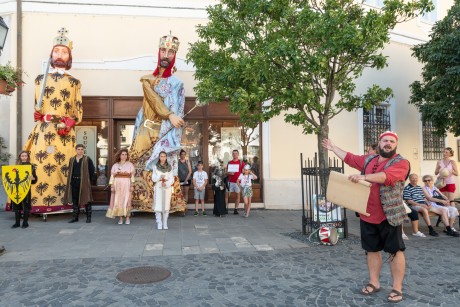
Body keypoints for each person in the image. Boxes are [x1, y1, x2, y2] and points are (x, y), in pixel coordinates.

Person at [322, 131, 409, 304]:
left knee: (394, 251)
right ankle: (374, 282)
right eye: (385, 140)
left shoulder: (402, 162)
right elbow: (350, 158)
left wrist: (363, 176)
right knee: (371, 250)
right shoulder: (370, 159)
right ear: (379, 142)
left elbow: (387, 177)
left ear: (396, 144)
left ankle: (397, 288)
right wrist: (333, 148)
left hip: (389, 215)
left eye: (392, 141)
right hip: (367, 213)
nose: (388, 143)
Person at [24, 28, 82, 214]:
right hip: (44, 130)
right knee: (39, 166)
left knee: (64, 168)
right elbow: (38, 107)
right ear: (51, 54)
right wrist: (39, 116)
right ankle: (36, 204)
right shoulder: (40, 80)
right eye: (56, 51)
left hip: (63, 132)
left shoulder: (74, 82)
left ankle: (64, 204)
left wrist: (68, 124)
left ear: (69, 56)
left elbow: (78, 111)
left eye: (64, 52)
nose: (60, 55)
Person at [128, 33, 186, 215]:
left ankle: (167, 204)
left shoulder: (178, 83)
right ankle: (139, 203)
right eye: (163, 50)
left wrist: (177, 121)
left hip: (166, 131)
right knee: (140, 160)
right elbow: (153, 100)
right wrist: (169, 115)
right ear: (158, 52)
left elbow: (181, 107)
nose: (166, 54)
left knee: (165, 165)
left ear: (174, 56)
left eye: (170, 51)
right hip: (147, 128)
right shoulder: (147, 80)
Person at [64, 144, 96, 223]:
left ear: (84, 150)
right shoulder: (72, 159)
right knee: (75, 200)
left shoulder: (87, 159)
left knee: (86, 199)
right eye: (79, 149)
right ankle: (75, 217)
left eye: (82, 149)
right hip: (74, 182)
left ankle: (88, 217)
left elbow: (92, 170)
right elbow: (70, 170)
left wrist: (89, 181)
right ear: (76, 150)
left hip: (84, 182)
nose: (80, 151)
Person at [106, 149, 135, 225]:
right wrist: (112, 185)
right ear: (119, 155)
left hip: (127, 184)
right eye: (122, 154)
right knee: (119, 201)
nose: (124, 156)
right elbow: (112, 176)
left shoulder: (130, 165)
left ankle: (128, 218)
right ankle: (120, 218)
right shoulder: (115, 165)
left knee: (127, 201)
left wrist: (132, 185)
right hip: (117, 185)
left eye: (125, 154)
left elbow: (132, 176)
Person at [10, 151, 38, 229]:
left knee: (26, 206)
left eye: (25, 156)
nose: (24, 157)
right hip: (16, 188)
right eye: (22, 156)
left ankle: (25, 223)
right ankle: (17, 223)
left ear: (28, 157)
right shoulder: (16, 167)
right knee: (16, 205)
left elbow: (35, 179)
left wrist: (33, 178)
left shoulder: (31, 166)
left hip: (26, 188)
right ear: (20, 157)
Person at [152, 151, 174, 230]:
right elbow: (153, 178)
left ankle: (165, 223)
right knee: (158, 205)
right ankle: (159, 223)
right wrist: (159, 178)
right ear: (159, 157)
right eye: (161, 156)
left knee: (166, 205)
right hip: (158, 187)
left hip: (166, 188)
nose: (163, 158)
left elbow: (172, 178)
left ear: (166, 157)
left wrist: (167, 183)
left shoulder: (170, 167)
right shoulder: (155, 166)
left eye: (164, 156)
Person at [226, 149, 245, 214]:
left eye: (236, 153)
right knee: (227, 195)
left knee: (238, 196)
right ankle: (226, 208)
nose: (235, 154)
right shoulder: (229, 162)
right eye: (233, 153)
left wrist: (243, 172)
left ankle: (236, 209)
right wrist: (230, 173)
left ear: (238, 154)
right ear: (232, 154)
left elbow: (244, 172)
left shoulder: (241, 162)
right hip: (230, 181)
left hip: (238, 182)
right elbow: (226, 172)